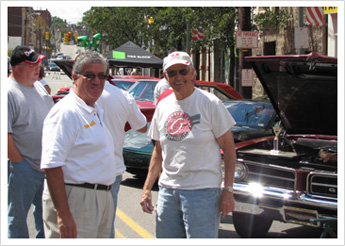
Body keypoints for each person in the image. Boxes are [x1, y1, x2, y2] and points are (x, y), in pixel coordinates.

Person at [139, 51, 237, 238]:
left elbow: (230, 149)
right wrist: (146, 189)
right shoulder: (163, 106)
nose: (178, 77)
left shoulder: (210, 103)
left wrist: (228, 191)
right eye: (172, 72)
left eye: (183, 71)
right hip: (168, 190)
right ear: (165, 77)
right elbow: (158, 153)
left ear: (193, 73)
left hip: (202, 192)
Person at [41, 51, 116, 238]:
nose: (96, 81)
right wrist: (63, 214)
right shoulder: (66, 112)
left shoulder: (94, 110)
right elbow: (52, 165)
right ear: (75, 77)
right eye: (89, 75)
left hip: (100, 198)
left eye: (101, 76)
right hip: (76, 199)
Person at [7, 45, 54, 238]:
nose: (38, 67)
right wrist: (19, 163)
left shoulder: (38, 87)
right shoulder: (8, 92)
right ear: (18, 69)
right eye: (33, 64)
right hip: (23, 167)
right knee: (17, 219)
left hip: (45, 165)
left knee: (47, 218)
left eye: (38, 62)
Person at [97, 77, 147, 238]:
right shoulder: (122, 96)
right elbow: (141, 126)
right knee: (106, 224)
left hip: (82, 171)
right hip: (112, 168)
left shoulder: (78, 95)